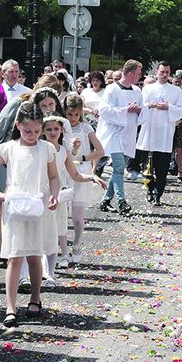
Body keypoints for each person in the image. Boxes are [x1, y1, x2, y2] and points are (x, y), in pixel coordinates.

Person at [0, 103, 60, 328]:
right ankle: (10, 306)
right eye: (28, 131)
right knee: (14, 256)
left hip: (37, 205)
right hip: (15, 207)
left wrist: (54, 195)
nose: (32, 135)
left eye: (37, 131)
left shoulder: (46, 148)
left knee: (35, 255)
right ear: (18, 125)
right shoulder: (9, 147)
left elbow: (53, 177)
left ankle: (35, 297)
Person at [41, 113, 105, 279]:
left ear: (62, 130)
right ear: (43, 131)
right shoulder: (40, 149)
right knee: (43, 232)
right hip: (43, 194)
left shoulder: (64, 151)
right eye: (49, 129)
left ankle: (54, 267)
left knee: (59, 229)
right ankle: (42, 269)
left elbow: (75, 175)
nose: (53, 132)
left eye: (56, 129)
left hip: (59, 195)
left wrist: (92, 177)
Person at [96, 59, 147, 214]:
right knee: (119, 168)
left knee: (117, 171)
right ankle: (122, 201)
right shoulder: (111, 89)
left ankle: (105, 201)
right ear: (130, 73)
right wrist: (126, 109)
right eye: (138, 73)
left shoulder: (137, 91)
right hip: (113, 134)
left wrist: (138, 111)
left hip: (128, 135)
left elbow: (143, 112)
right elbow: (104, 111)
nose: (140, 76)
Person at [136, 62, 182, 206]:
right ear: (157, 72)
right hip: (149, 131)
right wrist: (148, 106)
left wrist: (168, 107)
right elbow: (140, 106)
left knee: (162, 168)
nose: (165, 74)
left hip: (165, 133)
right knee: (146, 166)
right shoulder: (148, 89)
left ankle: (158, 193)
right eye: (162, 72)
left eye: (167, 72)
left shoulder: (175, 91)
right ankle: (150, 189)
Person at [62, 94, 104, 264]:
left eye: (76, 115)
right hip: (64, 170)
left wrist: (85, 158)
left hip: (81, 169)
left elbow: (100, 150)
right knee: (62, 215)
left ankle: (77, 243)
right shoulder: (61, 128)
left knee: (77, 216)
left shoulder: (86, 128)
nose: (72, 118)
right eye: (69, 114)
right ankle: (63, 251)